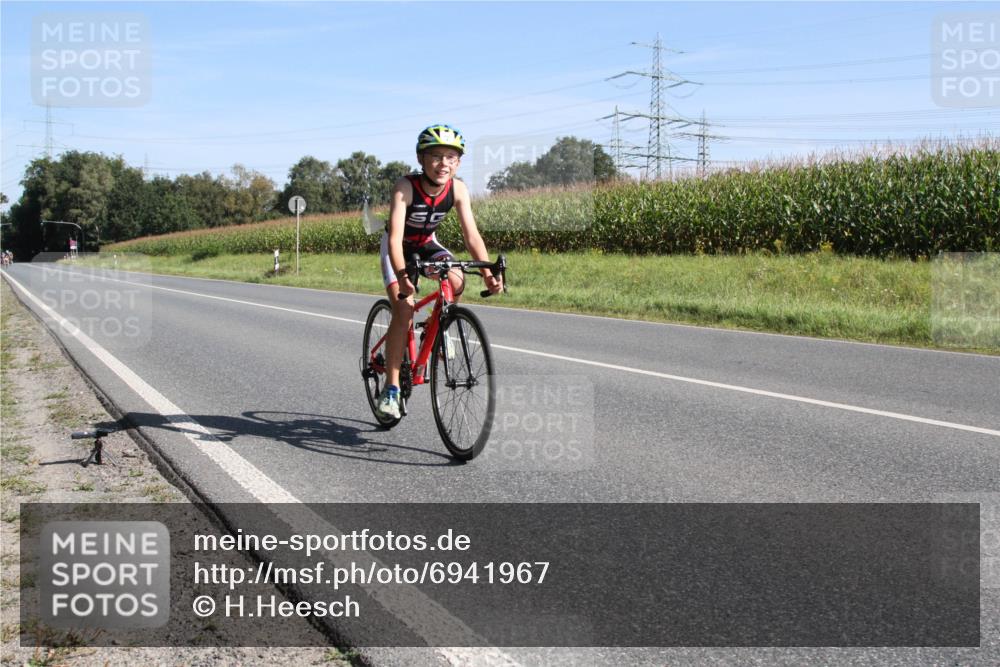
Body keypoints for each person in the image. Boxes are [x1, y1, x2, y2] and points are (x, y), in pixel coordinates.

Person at [376, 124, 503, 419]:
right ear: (421, 159)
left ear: (457, 163)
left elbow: (471, 236)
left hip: (427, 243)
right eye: (435, 156)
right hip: (398, 249)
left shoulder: (458, 189)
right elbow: (394, 238)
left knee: (457, 276)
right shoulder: (405, 187)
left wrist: (487, 274)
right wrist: (405, 280)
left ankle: (440, 325)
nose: (443, 163)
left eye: (450, 157)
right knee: (404, 308)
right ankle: (391, 389)